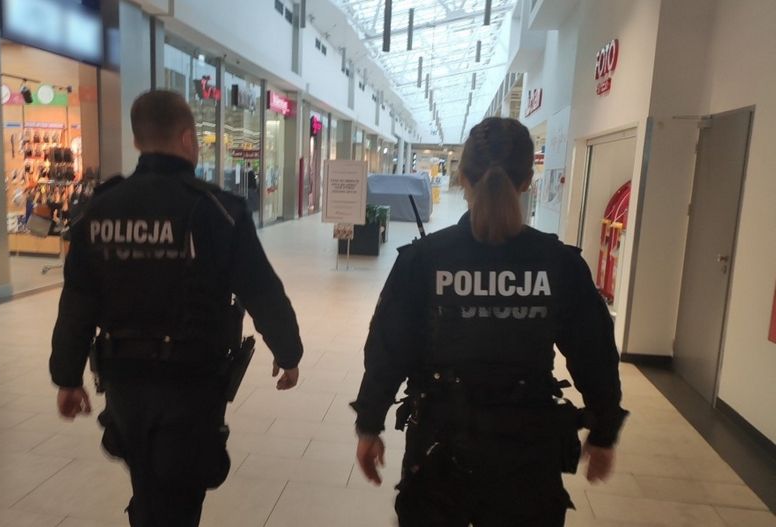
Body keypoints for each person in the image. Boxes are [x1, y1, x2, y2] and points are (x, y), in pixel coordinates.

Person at [351, 117, 628, 526]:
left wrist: (369, 425)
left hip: (439, 450)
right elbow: (595, 353)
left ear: (462, 178)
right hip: (527, 454)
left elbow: (388, 350)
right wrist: (603, 432)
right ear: (528, 181)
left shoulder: (424, 260)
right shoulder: (559, 264)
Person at [49, 90, 303, 527]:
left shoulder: (100, 208)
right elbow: (262, 290)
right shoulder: (218, 210)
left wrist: (67, 377)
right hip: (192, 384)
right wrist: (288, 351)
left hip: (124, 382)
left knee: (149, 485)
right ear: (188, 139)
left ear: (136, 141)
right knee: (179, 497)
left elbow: (77, 301)